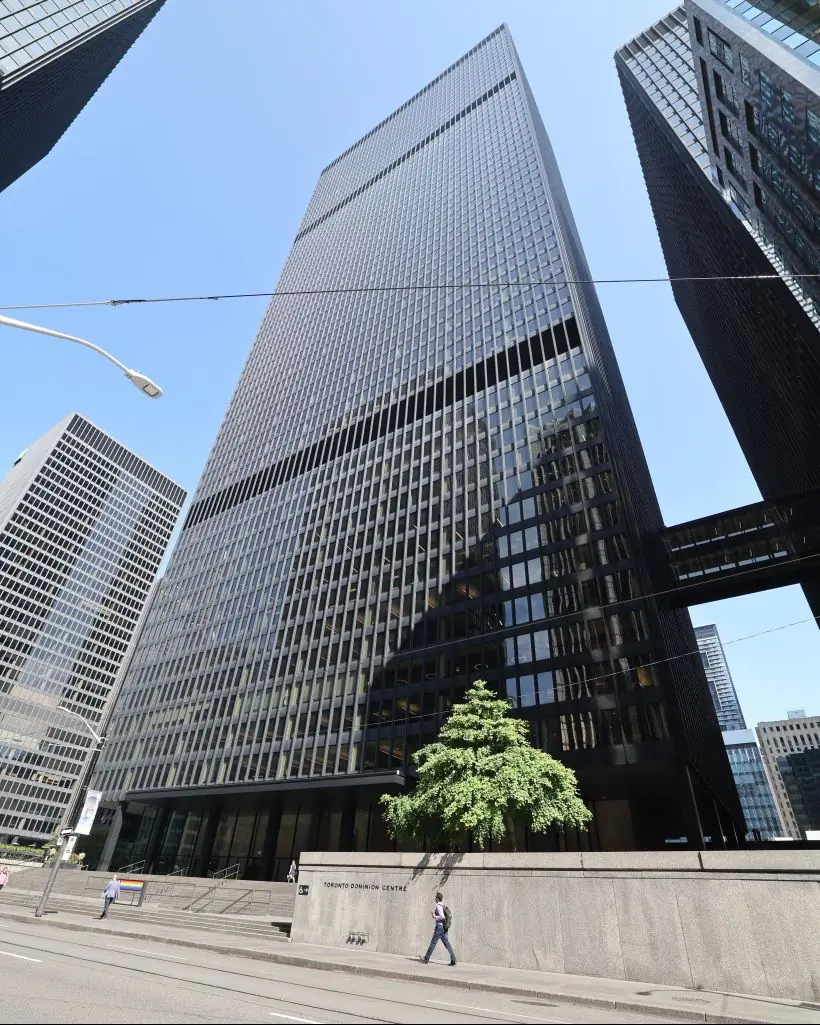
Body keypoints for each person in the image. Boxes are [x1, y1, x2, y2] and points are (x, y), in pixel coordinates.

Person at [421, 891, 456, 966]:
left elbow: (442, 917)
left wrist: (435, 916)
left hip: (440, 928)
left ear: (437, 898)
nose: (434, 899)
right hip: (444, 927)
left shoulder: (438, 906)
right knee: (447, 944)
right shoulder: (443, 905)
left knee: (433, 943)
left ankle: (426, 958)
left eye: (435, 897)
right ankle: (453, 959)